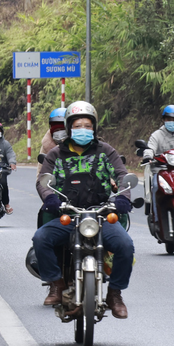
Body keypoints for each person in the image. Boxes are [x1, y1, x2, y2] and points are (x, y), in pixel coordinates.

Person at [33, 101, 134, 319]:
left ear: (95, 128)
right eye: (78, 126)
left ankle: (115, 294)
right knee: (41, 238)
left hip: (101, 216)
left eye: (88, 126)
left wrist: (123, 198)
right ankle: (56, 284)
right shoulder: (55, 154)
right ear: (69, 128)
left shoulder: (106, 151)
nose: (83, 130)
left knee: (125, 245)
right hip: (68, 216)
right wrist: (50, 198)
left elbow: (122, 176)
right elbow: (43, 181)